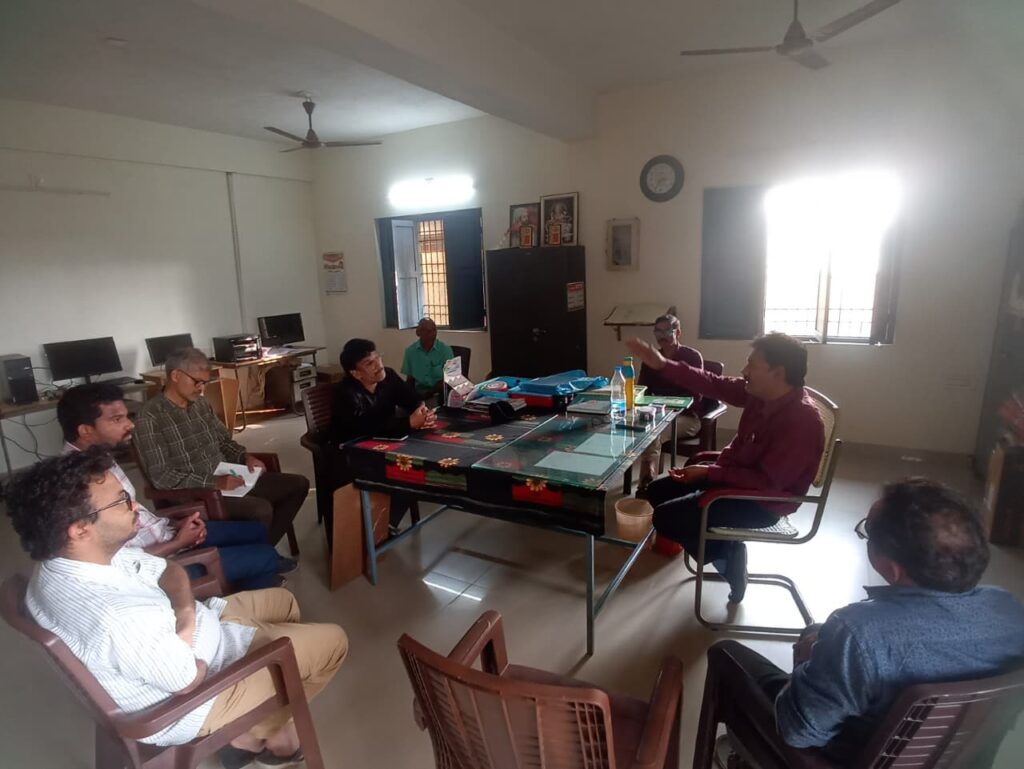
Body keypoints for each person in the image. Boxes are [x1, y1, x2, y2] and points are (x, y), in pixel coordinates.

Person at [6, 449, 348, 764]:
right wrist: (188, 627)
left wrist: (185, 617)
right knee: (334, 642)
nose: (135, 507)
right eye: (122, 501)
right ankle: (257, 736)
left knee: (285, 603)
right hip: (193, 702)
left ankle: (260, 721)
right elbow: (188, 679)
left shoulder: (75, 558)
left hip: (199, 631)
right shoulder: (114, 617)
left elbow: (169, 570)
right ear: (80, 529)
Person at [703, 478, 1024, 768]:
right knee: (816, 633)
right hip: (958, 754)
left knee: (726, 652)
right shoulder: (1008, 609)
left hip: (847, 757)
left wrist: (804, 661)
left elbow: (797, 733)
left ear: (892, 568)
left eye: (868, 532)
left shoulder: (858, 631)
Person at [625, 332, 824, 602]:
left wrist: (710, 472)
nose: (744, 371)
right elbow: (713, 383)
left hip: (762, 502)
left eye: (752, 365)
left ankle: (728, 555)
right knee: (657, 490)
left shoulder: (802, 422)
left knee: (665, 518)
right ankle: (719, 545)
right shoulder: (760, 393)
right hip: (734, 477)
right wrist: (662, 364)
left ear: (778, 373)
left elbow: (768, 483)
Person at [57, 383, 294, 591]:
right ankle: (238, 599)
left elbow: (135, 514)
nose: (130, 425)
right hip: (160, 565)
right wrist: (178, 542)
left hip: (165, 534)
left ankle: (251, 577)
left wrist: (173, 525)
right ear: (85, 430)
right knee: (265, 557)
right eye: (117, 419)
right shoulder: (80, 485)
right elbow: (118, 562)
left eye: (126, 416)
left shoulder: (99, 458)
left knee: (256, 532)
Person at [133, 348, 309, 549]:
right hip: (193, 492)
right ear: (175, 376)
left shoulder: (200, 404)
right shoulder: (150, 417)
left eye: (205, 383)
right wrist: (215, 482)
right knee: (260, 509)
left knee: (298, 485)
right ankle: (262, 554)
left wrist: (245, 457)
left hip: (226, 476)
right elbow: (162, 476)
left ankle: (263, 551)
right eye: (197, 382)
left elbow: (224, 442)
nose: (201, 389)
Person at [330, 338, 436, 535]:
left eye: (377, 357)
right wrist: (409, 423)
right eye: (369, 363)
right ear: (355, 373)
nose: (378, 365)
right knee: (407, 467)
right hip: (353, 449)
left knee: (419, 460)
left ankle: (386, 523)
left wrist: (422, 411)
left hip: (384, 441)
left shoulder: (388, 376)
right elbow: (366, 427)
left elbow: (412, 398)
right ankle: (379, 528)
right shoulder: (345, 393)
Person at [635, 314, 704, 492]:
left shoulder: (692, 357)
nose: (662, 336)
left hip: (687, 417)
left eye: (667, 331)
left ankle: (646, 485)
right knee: (643, 428)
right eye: (658, 332)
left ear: (678, 332)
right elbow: (643, 390)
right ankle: (648, 479)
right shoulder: (652, 358)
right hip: (658, 413)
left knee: (654, 432)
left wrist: (667, 407)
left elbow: (697, 394)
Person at [401, 317, 454, 401]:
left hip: (439, 394)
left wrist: (429, 394)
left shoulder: (445, 350)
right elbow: (410, 380)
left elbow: (451, 378)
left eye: (434, 330)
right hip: (419, 394)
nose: (432, 334)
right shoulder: (410, 351)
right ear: (418, 333)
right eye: (428, 331)